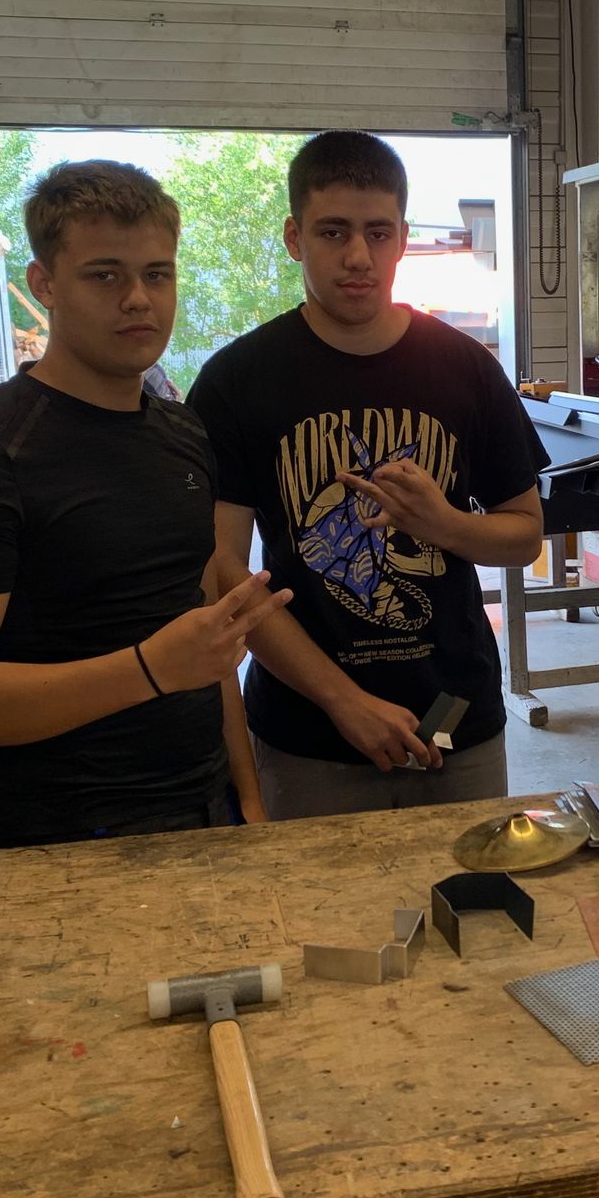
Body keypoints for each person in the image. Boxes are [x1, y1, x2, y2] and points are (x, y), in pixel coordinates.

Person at [0, 160, 290, 848]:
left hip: (209, 815)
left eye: (157, 274)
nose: (138, 299)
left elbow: (204, 641)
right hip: (64, 841)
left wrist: (246, 799)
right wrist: (150, 668)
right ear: (43, 283)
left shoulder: (183, 433)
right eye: (105, 275)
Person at [187, 130, 550, 819]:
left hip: (456, 721)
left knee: (468, 886)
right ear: (295, 237)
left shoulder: (467, 369)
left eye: (378, 233)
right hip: (309, 734)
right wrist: (342, 700)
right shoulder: (237, 381)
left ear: (402, 239)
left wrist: (441, 523)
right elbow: (220, 570)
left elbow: (525, 535)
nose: (358, 256)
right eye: (333, 232)